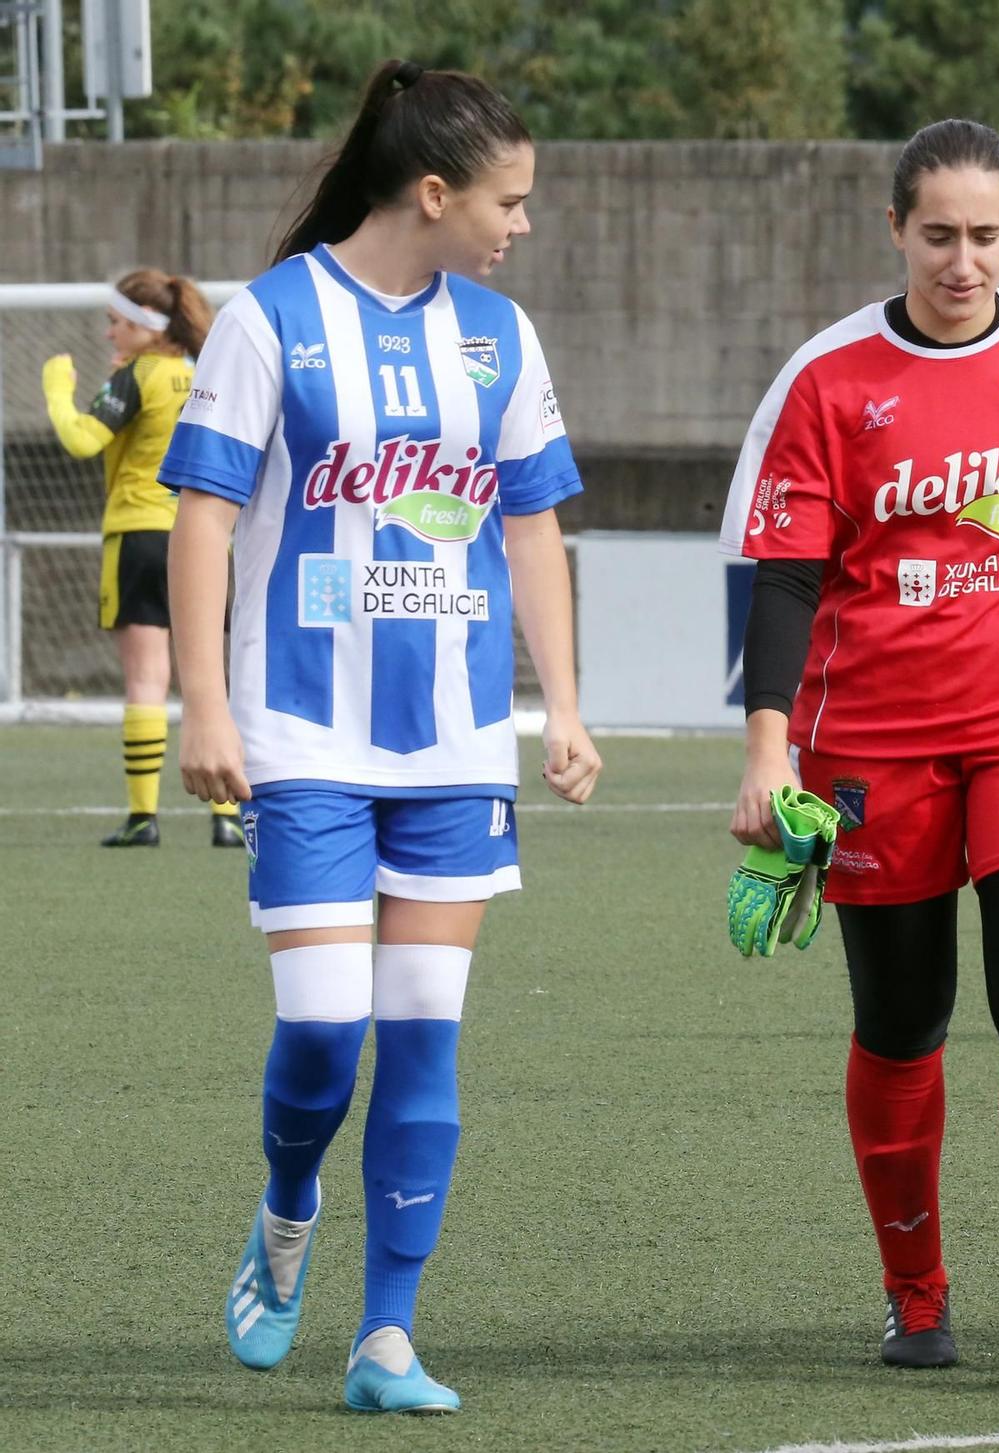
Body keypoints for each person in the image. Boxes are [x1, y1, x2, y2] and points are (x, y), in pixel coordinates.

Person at [160, 59, 601, 1413]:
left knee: (421, 1036)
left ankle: (387, 1336)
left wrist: (563, 706)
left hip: (456, 745)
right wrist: (207, 703)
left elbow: (529, 523)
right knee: (323, 1028)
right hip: (300, 731)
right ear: (433, 191)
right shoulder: (268, 322)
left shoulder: (501, 338)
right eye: (508, 200)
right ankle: (287, 1203)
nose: (521, 223)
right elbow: (205, 515)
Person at [720, 119, 999, 1382]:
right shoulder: (828, 378)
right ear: (895, 228)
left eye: (985, 234)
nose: (962, 260)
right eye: (937, 234)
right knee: (901, 1021)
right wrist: (766, 750)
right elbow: (785, 581)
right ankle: (916, 1295)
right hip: (875, 749)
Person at [41, 270, 244, 848]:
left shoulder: (139, 377)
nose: (109, 335)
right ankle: (226, 816)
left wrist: (57, 387)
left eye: (116, 323)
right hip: (207, 542)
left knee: (147, 679)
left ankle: (142, 817)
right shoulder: (205, 375)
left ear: (146, 327)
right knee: (211, 677)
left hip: (138, 536)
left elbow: (81, 439)